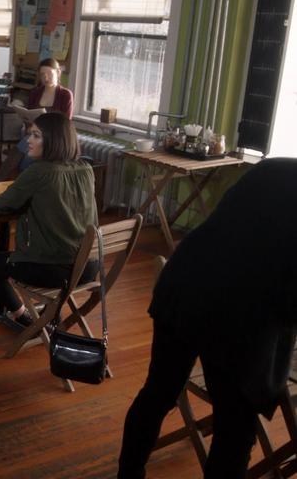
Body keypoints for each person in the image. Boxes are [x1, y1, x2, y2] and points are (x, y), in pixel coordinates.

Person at [118, 158, 297, 479]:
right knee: (235, 424)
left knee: (158, 392)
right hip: (236, 311)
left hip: (186, 279)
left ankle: (128, 474)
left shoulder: (276, 167)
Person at [0, 112, 98, 326]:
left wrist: (25, 204)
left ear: (54, 140)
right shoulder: (86, 169)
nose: (28, 140)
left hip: (53, 270)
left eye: (36, 136)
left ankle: (21, 315)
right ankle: (50, 317)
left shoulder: (39, 172)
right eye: (29, 134)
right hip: (87, 267)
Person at [0, 58, 75, 178]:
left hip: (55, 138)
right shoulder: (35, 92)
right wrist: (29, 124)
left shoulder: (65, 95)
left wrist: (43, 131)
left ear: (58, 72)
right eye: (42, 75)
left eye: (49, 74)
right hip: (36, 135)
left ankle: (1, 179)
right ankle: (9, 181)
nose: (45, 78)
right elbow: (29, 116)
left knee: (24, 151)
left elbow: (66, 123)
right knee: (26, 146)